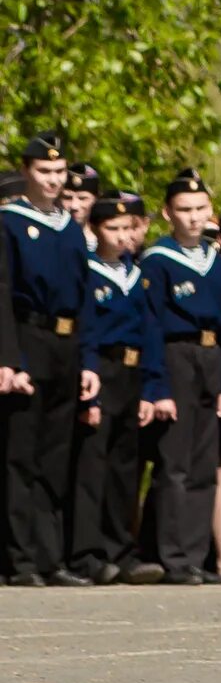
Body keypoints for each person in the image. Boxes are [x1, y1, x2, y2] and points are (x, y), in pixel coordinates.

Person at [142, 171, 221, 585]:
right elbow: (150, 327)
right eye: (184, 210)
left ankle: (197, 554)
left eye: (201, 209)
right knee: (175, 463)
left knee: (205, 463)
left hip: (213, 357)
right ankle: (173, 556)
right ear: (168, 213)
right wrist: (158, 387)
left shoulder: (218, 263)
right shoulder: (159, 259)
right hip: (176, 355)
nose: (193, 217)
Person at [4, 137, 85, 585]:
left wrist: (87, 360)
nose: (53, 181)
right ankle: (21, 559)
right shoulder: (10, 222)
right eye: (44, 172)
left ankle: (51, 556)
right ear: (26, 172)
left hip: (67, 345)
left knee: (57, 455)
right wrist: (8, 358)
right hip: (28, 337)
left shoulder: (71, 228)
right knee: (22, 455)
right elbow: (2, 292)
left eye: (59, 173)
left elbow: (84, 296)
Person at [77, 193, 164, 585]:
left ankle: (120, 548)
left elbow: (151, 333)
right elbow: (86, 331)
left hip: (132, 372)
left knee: (125, 467)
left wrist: (151, 388)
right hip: (103, 371)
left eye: (128, 228)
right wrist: (90, 382)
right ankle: (88, 552)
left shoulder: (137, 273)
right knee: (93, 465)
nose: (121, 236)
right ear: (95, 230)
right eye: (112, 228)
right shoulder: (87, 270)